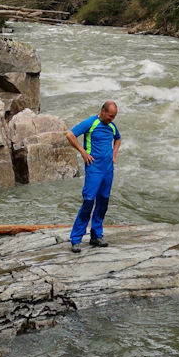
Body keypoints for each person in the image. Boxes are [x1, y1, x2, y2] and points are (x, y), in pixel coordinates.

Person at [65, 100, 121, 252]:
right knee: (88, 202)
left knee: (103, 203)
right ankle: (76, 239)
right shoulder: (91, 122)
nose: (112, 119)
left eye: (114, 117)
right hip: (94, 169)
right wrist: (82, 152)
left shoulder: (111, 126)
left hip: (108, 170)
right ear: (102, 111)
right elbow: (70, 134)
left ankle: (96, 235)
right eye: (110, 116)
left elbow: (118, 138)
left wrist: (114, 153)